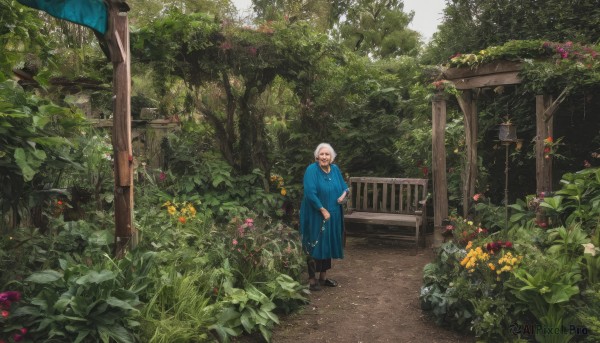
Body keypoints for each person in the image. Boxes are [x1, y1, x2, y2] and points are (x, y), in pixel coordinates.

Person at [300, 143, 349, 291]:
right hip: (315, 213)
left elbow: (344, 187)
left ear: (332, 157)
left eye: (327, 154)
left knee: (327, 244)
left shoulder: (335, 170)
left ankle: (323, 277)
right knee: (314, 243)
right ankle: (312, 279)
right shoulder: (312, 170)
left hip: (332, 214)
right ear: (317, 156)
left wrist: (342, 196)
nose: (324, 157)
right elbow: (310, 193)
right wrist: (322, 209)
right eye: (321, 154)